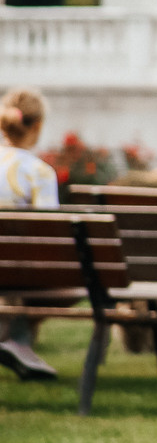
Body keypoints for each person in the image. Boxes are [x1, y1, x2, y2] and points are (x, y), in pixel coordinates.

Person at [0, 87, 61, 381]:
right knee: (67, 287)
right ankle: (16, 338)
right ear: (36, 126)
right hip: (23, 273)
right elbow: (48, 235)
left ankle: (12, 338)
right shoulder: (39, 172)